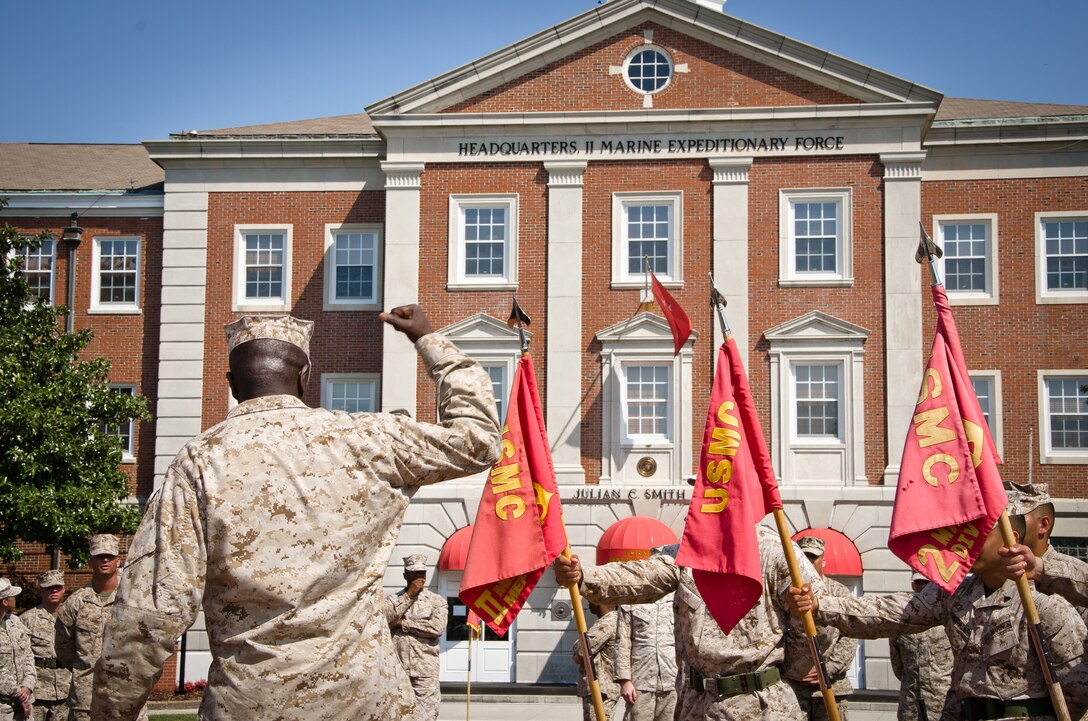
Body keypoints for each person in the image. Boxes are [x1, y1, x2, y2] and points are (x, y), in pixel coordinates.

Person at [92, 307, 501, 721]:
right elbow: (479, 439)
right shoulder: (367, 440)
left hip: (251, 705)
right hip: (366, 703)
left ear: (232, 385)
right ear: (304, 377)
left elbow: (149, 614)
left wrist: (111, 714)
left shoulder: (200, 462)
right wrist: (429, 341)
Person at [787, 515, 1088, 721]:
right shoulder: (954, 594)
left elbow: (1076, 691)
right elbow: (891, 614)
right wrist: (819, 605)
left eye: (982, 532)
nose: (969, 541)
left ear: (1013, 538)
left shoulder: (1045, 604)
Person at [553, 524, 825, 721]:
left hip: (761, 705)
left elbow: (818, 615)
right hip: (697, 704)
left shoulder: (776, 550)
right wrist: (582, 576)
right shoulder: (688, 551)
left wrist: (792, 673)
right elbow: (642, 575)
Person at [56, 535, 146, 721]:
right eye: (99, 556)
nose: (104, 560)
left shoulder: (134, 599)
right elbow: (63, 648)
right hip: (86, 699)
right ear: (90, 562)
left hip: (127, 695)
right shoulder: (75, 603)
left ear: (118, 561)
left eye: (109, 556)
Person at [785, 536, 856, 721]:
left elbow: (850, 636)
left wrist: (827, 668)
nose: (808, 561)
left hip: (831, 688)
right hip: (794, 688)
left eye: (813, 556)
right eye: (804, 556)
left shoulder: (839, 592)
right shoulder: (786, 593)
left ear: (823, 560)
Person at [999, 483, 1088, 610]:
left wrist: (1039, 570)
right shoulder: (997, 573)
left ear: (1043, 524)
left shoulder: (1074, 574)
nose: (1005, 525)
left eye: (1015, 517)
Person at [385, 554, 449, 721]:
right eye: (414, 574)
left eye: (421, 573)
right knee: (398, 715)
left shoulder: (437, 601)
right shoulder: (393, 600)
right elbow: (386, 618)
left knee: (426, 716)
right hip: (398, 669)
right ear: (405, 575)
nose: (418, 577)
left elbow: (436, 627)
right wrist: (408, 595)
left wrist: (403, 624)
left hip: (424, 671)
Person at [888, 573, 953, 721]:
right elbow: (897, 664)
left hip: (942, 702)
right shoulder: (902, 617)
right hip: (910, 704)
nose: (923, 586)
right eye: (918, 582)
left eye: (927, 582)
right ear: (912, 584)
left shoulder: (947, 612)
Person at [614, 591, 677, 721]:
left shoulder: (677, 598)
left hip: (672, 679)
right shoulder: (631, 598)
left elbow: (685, 639)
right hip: (641, 681)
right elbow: (622, 642)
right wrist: (625, 681)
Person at [20, 570, 71, 721]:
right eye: (49, 587)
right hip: (38, 691)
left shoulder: (72, 616)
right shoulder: (26, 619)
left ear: (63, 589)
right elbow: (20, 656)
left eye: (57, 587)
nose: (54, 591)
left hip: (65, 689)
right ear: (40, 590)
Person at [574, 602, 620, 721]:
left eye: (590, 599)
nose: (588, 603)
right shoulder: (608, 621)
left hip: (601, 690)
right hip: (600, 689)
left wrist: (577, 651)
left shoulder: (607, 623)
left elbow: (581, 648)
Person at [0, 578, 34, 721]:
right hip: (3, 708)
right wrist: (18, 692)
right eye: (12, 596)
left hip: (24, 703)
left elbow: (28, 655)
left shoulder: (15, 622)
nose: (15, 599)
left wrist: (28, 685)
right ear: (5, 601)